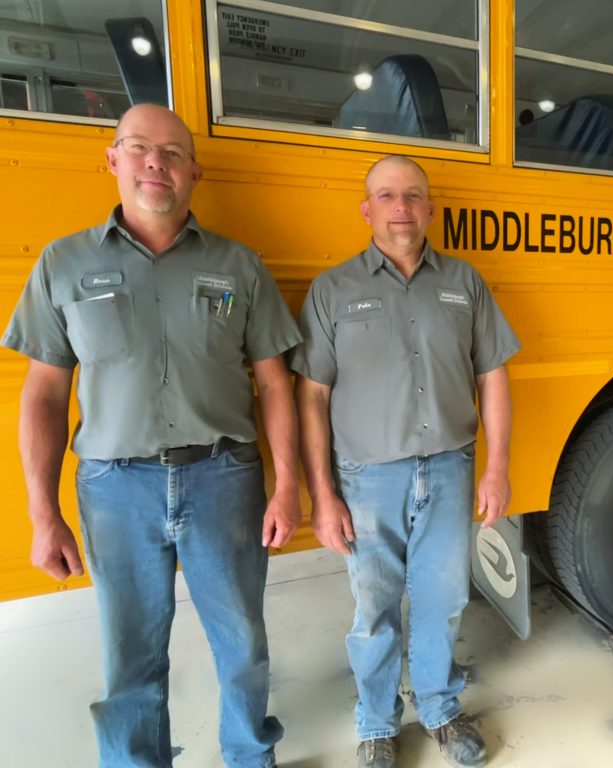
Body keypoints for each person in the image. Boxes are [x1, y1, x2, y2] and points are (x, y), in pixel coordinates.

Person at [2, 104, 302, 768]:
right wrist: (42, 512)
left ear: (193, 170)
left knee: (243, 644)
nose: (154, 163)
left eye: (170, 152)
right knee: (130, 658)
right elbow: (45, 392)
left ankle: (251, 757)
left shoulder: (237, 268)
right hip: (115, 490)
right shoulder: (65, 264)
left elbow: (275, 383)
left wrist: (287, 486)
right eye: (138, 148)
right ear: (113, 160)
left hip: (224, 478)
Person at [292, 155, 519, 768]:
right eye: (387, 196)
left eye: (413, 196)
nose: (401, 208)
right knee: (375, 609)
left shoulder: (465, 283)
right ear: (367, 210)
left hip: (449, 469)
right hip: (365, 480)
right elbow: (310, 395)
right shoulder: (332, 290)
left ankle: (441, 709)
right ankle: (376, 723)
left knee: (444, 601)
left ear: (429, 208)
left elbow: (492, 376)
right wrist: (323, 493)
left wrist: (496, 468)